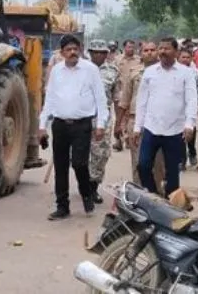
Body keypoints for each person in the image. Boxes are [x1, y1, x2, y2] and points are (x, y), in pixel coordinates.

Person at [38, 34, 108, 220]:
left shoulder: (90, 70)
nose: (72, 52)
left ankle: (86, 194)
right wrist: (42, 125)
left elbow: (101, 99)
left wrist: (101, 124)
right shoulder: (56, 71)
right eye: (68, 50)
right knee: (60, 167)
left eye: (75, 49)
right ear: (61, 53)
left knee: (79, 163)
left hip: (82, 125)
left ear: (80, 50)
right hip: (60, 125)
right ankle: (62, 206)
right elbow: (50, 98)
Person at [134, 37, 197, 197]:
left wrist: (189, 124)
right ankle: (153, 196)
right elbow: (142, 101)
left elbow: (191, 100)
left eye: (167, 48)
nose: (162, 51)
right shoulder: (149, 72)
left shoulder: (187, 73)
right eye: (160, 48)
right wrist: (137, 126)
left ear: (176, 52)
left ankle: (172, 205)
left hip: (175, 130)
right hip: (151, 127)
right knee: (143, 165)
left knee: (172, 172)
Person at [117, 41, 165, 189]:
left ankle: (156, 196)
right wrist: (118, 124)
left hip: (159, 123)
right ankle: (138, 195)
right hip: (135, 120)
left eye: (152, 49)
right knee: (138, 162)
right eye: (146, 50)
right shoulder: (134, 73)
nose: (149, 52)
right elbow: (124, 100)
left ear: (157, 52)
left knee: (158, 164)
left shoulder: (166, 72)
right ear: (141, 53)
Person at [86, 40, 120, 204]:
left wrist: (119, 122)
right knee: (80, 155)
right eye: (95, 52)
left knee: (101, 155)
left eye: (102, 52)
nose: (98, 55)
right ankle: (84, 182)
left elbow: (117, 98)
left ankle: (93, 188)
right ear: (90, 53)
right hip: (82, 116)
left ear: (107, 54)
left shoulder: (113, 71)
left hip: (103, 117)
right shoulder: (81, 69)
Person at [178, 48, 198, 172]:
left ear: (191, 59)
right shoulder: (175, 72)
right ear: (178, 58)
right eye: (183, 57)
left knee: (190, 132)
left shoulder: (196, 73)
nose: (185, 60)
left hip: (192, 108)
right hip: (178, 109)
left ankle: (192, 151)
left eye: (187, 57)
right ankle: (182, 160)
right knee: (179, 135)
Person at [113, 39, 143, 152]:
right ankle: (120, 139)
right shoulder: (117, 60)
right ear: (124, 47)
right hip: (120, 91)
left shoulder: (139, 60)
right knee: (120, 116)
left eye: (132, 47)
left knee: (130, 116)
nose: (131, 49)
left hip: (133, 92)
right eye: (128, 47)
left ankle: (128, 138)